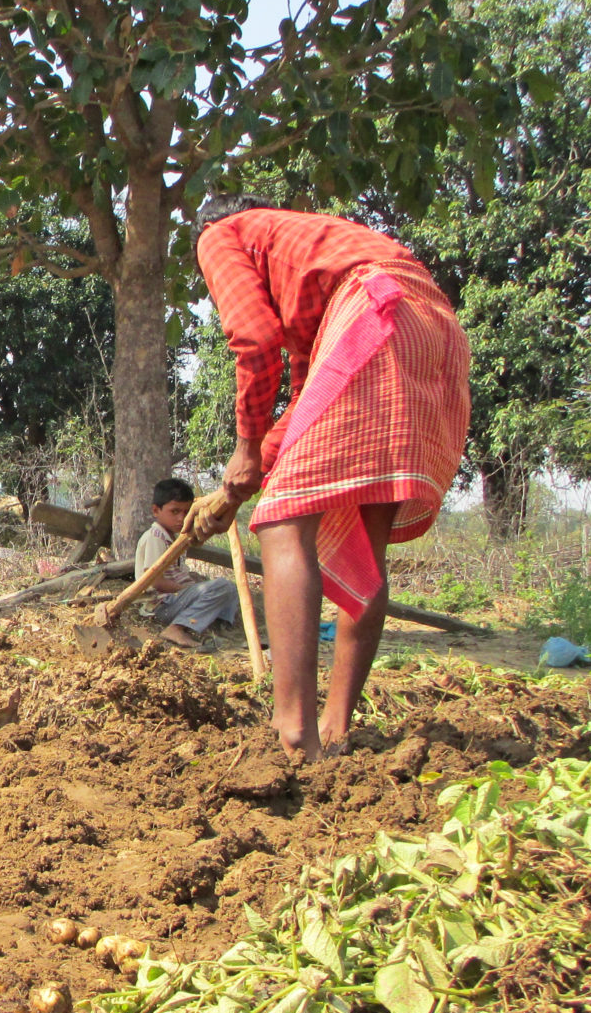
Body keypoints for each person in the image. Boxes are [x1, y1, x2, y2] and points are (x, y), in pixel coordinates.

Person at [186, 197, 470, 758]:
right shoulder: (314, 253)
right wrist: (232, 488)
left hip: (373, 315)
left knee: (284, 520)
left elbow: (255, 340)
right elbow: (301, 407)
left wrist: (244, 450)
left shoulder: (222, 234)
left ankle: (294, 731)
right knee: (366, 541)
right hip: (431, 331)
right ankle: (336, 730)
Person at [133, 477, 241, 651]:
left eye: (186, 512)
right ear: (156, 510)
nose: (181, 518)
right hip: (161, 604)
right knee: (222, 586)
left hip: (175, 600)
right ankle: (176, 628)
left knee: (231, 589)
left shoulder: (174, 539)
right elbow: (155, 582)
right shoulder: (155, 537)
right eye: (174, 511)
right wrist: (188, 590)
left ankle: (217, 628)